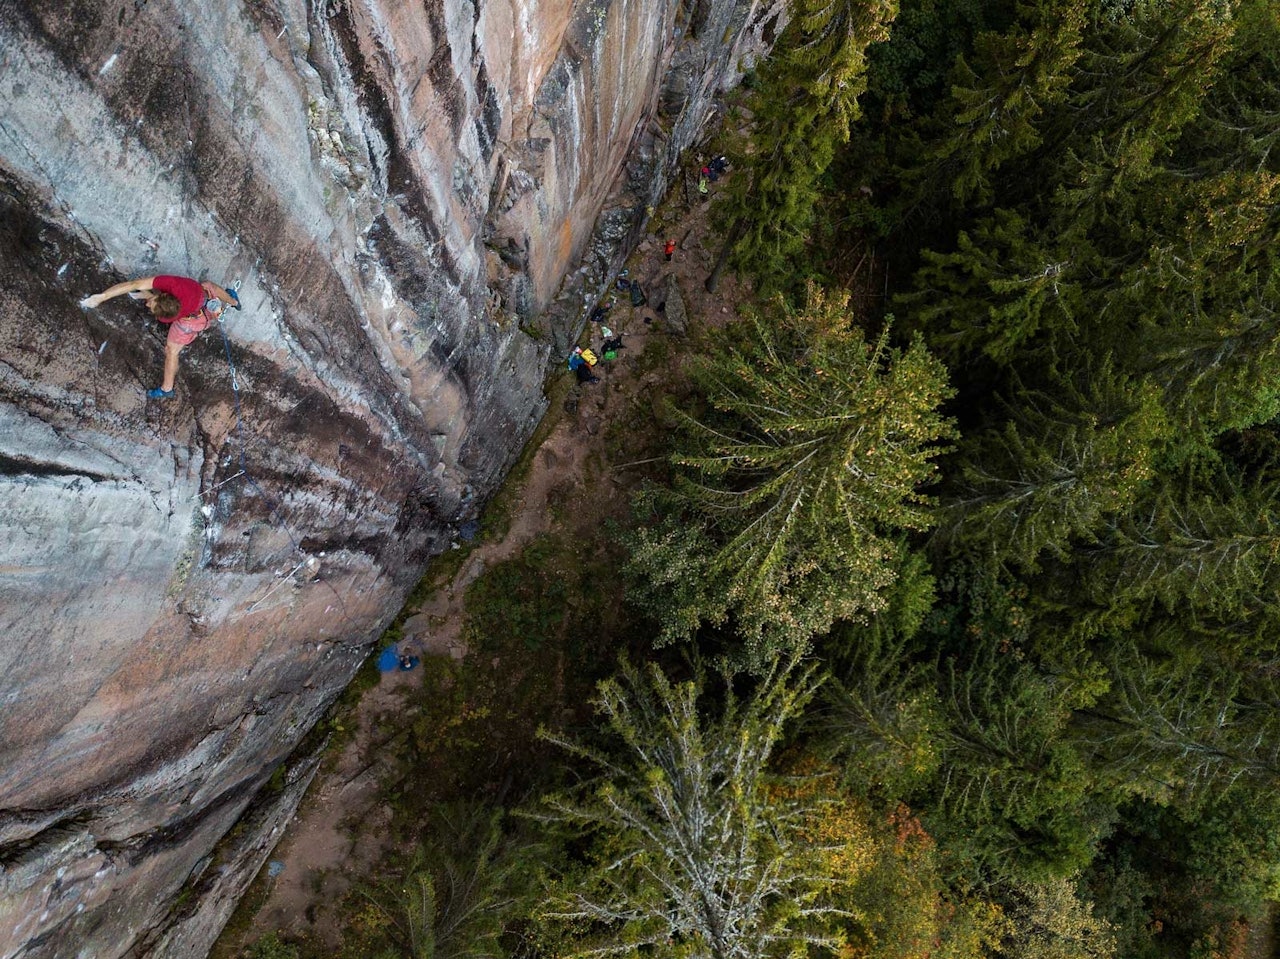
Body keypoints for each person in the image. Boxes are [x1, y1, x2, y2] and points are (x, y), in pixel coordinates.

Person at [82, 274, 239, 398]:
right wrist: (102, 297)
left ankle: (167, 389)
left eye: (150, 305)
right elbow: (138, 288)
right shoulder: (177, 286)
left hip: (190, 323)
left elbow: (134, 284)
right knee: (210, 286)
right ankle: (233, 301)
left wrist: (103, 297)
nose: (147, 305)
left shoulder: (167, 316)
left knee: (172, 351)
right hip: (205, 303)